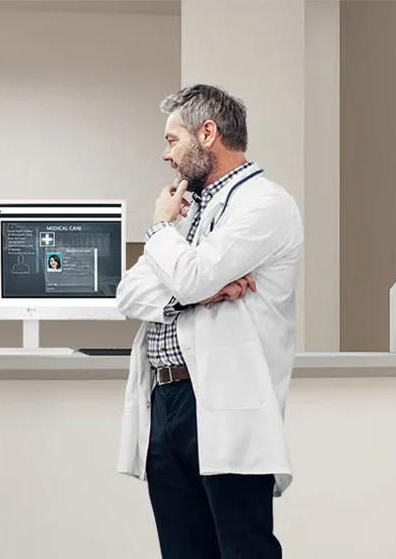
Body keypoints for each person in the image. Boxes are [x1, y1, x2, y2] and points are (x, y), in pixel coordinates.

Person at [116, 85, 303, 558]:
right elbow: (129, 293)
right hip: (166, 401)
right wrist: (190, 293)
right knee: (182, 550)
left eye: (172, 140)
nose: (165, 155)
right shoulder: (190, 213)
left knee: (242, 548)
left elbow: (192, 276)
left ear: (208, 133)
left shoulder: (264, 204)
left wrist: (160, 231)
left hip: (221, 399)